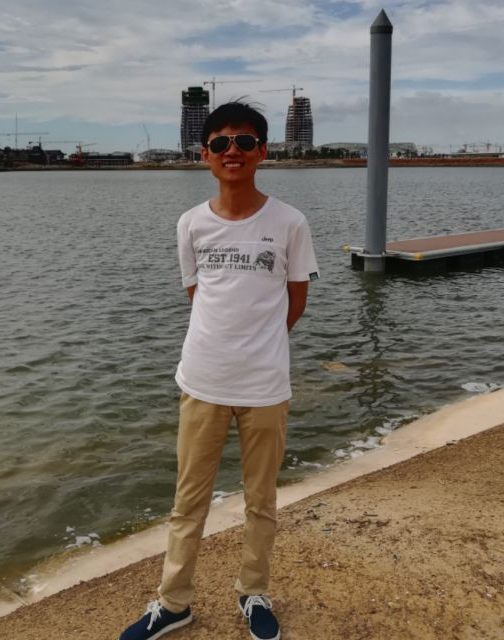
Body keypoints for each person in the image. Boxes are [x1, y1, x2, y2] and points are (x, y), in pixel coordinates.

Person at [119, 101, 319, 640]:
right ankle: (173, 603)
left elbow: (295, 300)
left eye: (245, 141)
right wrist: (228, 344)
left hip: (266, 386)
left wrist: (260, 345)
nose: (234, 151)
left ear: (263, 151)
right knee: (188, 503)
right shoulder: (191, 224)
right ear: (205, 154)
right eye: (221, 143)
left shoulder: (290, 223)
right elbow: (199, 296)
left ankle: (253, 593)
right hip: (202, 382)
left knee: (261, 502)